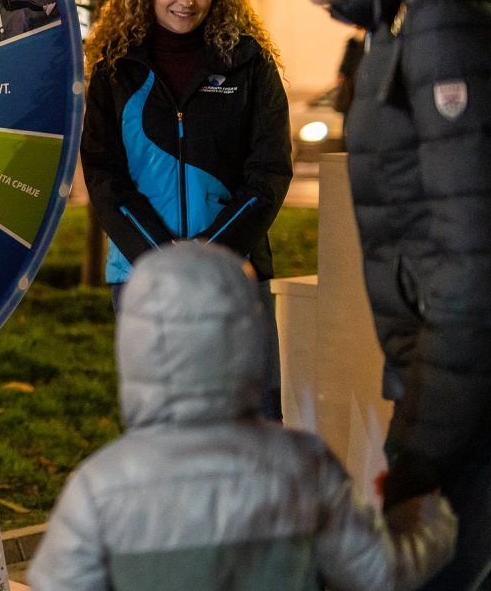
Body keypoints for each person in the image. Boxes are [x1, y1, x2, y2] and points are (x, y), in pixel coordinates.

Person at [264, 0, 491, 590]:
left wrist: (423, 455)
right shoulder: (401, 17)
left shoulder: (440, 18)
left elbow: (475, 266)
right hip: (451, 397)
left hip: (464, 414)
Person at [28, 242, 458, 591]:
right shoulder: (303, 465)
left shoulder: (98, 489)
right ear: (247, 334)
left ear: (135, 344)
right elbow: (379, 573)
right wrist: (431, 514)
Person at [81, 0, 292, 420]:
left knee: (253, 418)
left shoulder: (248, 63)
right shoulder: (116, 70)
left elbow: (268, 171)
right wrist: (161, 256)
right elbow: (103, 174)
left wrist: (209, 252)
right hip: (142, 273)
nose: (185, 0)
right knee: (160, 422)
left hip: (236, 272)